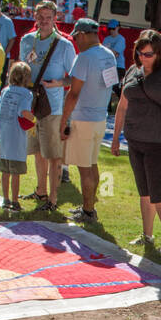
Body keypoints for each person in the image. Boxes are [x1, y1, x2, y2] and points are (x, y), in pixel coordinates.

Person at [112, 29, 161, 255]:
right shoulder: (132, 71)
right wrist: (116, 137)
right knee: (144, 192)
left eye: (148, 54)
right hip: (135, 140)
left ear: (159, 53)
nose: (143, 58)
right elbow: (122, 106)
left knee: (158, 193)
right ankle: (147, 235)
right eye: (140, 53)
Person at [18, 1, 75, 212]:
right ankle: (40, 191)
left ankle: (53, 199)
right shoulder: (26, 41)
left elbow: (75, 77)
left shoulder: (64, 45)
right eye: (40, 17)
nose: (44, 21)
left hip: (53, 106)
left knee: (53, 154)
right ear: (35, 17)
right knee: (37, 152)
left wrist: (58, 83)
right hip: (31, 104)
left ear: (55, 19)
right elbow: (20, 69)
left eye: (48, 17)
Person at [60, 18, 118, 223]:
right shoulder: (109, 55)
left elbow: (73, 93)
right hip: (100, 118)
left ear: (83, 35)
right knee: (92, 165)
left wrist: (63, 121)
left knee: (84, 168)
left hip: (83, 118)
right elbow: (110, 87)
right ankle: (89, 207)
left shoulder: (83, 57)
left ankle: (88, 211)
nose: (76, 42)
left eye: (76, 37)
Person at [0, 62, 36, 212]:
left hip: (2, 134)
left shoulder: (5, 91)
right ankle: (14, 200)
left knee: (5, 171)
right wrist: (34, 120)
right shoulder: (26, 94)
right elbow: (24, 111)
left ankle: (5, 199)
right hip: (16, 137)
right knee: (15, 172)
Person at [101, 19, 127, 95]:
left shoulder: (121, 39)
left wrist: (108, 52)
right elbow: (103, 53)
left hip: (118, 67)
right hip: (107, 67)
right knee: (106, 88)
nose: (111, 30)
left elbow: (114, 53)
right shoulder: (106, 39)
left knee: (115, 88)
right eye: (109, 29)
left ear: (118, 27)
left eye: (113, 28)